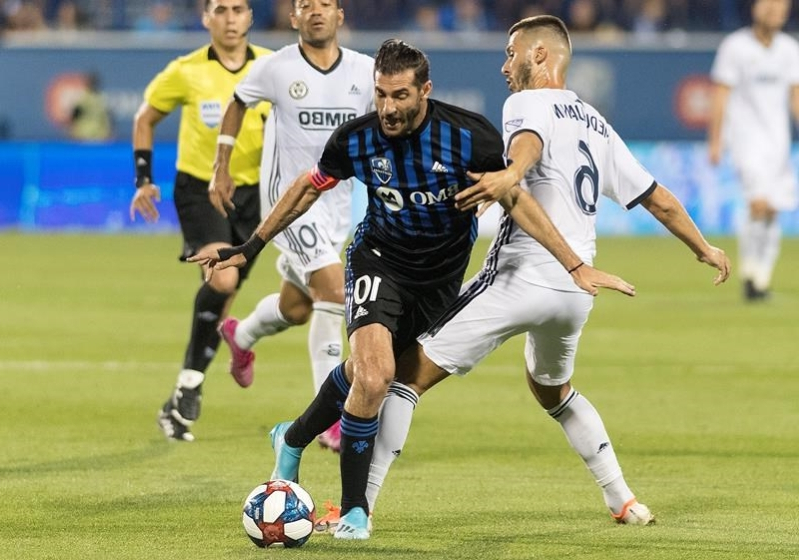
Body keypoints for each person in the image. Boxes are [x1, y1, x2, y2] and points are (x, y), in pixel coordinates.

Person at [274, 15, 732, 537]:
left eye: (512, 53)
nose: (504, 65)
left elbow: (528, 144)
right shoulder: (595, 122)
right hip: (576, 293)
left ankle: (359, 509)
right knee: (554, 392)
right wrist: (704, 247)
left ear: (539, 56)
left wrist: (513, 173)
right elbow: (659, 199)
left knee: (400, 377)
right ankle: (623, 498)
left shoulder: (525, 104)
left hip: (523, 275)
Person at [190, 38, 635, 540]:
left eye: (400, 95)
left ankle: (289, 441)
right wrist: (249, 248)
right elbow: (306, 188)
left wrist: (574, 264)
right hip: (379, 260)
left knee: (365, 372)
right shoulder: (357, 139)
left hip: (440, 281)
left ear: (425, 89)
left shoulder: (469, 136)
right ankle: (356, 511)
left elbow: (516, 199)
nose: (388, 108)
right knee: (377, 376)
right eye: (381, 94)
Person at [206, 0, 375, 454]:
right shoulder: (277, 68)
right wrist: (221, 164)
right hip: (289, 203)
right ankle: (333, 418)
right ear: (294, 17)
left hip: (338, 204)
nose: (316, 11)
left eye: (325, 4)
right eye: (305, 5)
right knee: (335, 291)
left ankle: (240, 336)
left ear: (341, 15)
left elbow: (388, 124)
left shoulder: (365, 71)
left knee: (298, 307)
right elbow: (238, 103)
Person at [129, 0, 272, 442]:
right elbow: (145, 117)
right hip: (200, 188)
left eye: (239, 10)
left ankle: (182, 394)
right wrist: (144, 179)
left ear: (250, 17)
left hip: (255, 196)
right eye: (221, 10)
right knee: (223, 279)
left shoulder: (272, 67)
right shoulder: (185, 70)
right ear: (206, 17)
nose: (231, 19)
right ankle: (190, 384)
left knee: (222, 300)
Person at [708, 0, 799, 301]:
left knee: (772, 211)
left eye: (781, 5)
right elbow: (721, 95)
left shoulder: (789, 49)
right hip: (746, 141)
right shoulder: (735, 47)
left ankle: (760, 279)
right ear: (755, 8)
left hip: (778, 143)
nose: (775, 10)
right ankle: (749, 275)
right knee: (757, 204)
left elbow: (795, 99)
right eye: (769, 4)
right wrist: (716, 140)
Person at [69, 72, 113, 141]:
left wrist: (108, 132)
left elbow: (106, 118)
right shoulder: (86, 98)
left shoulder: (96, 98)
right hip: (84, 136)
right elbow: (74, 116)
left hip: (96, 136)